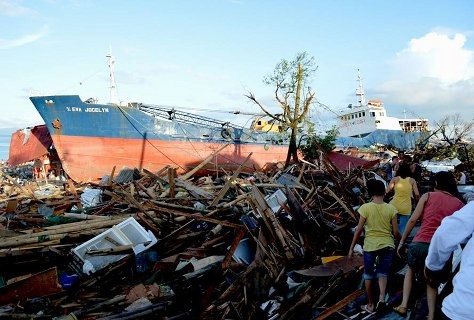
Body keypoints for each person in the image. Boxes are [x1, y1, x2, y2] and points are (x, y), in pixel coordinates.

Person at [393, 171, 465, 319]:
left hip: (419, 243)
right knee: (432, 281)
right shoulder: (459, 204)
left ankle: (403, 305)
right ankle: (431, 314)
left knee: (411, 271)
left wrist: (401, 242)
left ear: (436, 184)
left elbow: (413, 220)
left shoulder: (428, 196)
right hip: (440, 248)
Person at [348, 179, 400, 313]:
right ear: (384, 191)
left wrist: (351, 248)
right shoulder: (391, 209)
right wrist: (400, 241)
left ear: (370, 193)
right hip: (387, 245)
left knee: (369, 275)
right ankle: (382, 299)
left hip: (370, 246)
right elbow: (395, 232)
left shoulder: (365, 208)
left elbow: (359, 230)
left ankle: (371, 304)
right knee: (382, 272)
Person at [425, 200, 474, 320]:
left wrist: (433, 267)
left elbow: (444, 234)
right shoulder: (457, 201)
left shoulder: (428, 197)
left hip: (463, 307)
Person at [386, 163, 420, 233]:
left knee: (389, 223)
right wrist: (418, 202)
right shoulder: (412, 180)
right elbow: (417, 194)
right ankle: (400, 241)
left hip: (394, 205)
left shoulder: (395, 179)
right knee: (403, 227)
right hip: (406, 206)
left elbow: (387, 191)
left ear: (399, 170)